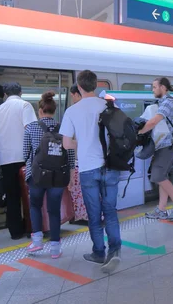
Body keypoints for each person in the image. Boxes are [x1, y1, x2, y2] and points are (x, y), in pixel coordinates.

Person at [60, 70, 122, 273]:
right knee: (110, 211)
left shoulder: (72, 111)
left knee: (94, 214)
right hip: (111, 167)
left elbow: (67, 143)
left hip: (87, 169)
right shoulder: (109, 105)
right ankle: (115, 252)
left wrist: (84, 143)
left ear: (79, 87)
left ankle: (98, 253)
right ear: (96, 85)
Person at [24, 92, 76, 259]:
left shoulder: (31, 127)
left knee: (35, 206)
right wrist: (71, 175)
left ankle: (37, 242)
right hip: (58, 176)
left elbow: (25, 153)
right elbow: (70, 155)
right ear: (54, 110)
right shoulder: (64, 128)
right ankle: (55, 248)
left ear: (40, 111)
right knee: (54, 210)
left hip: (37, 175)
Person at [0, 82, 37, 240]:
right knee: (29, 195)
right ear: (21, 92)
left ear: (5, 94)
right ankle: (32, 227)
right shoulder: (24, 106)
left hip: (4, 159)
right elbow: (32, 130)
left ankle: (15, 231)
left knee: (12, 196)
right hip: (23, 157)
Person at [139, 77, 173, 221]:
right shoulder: (165, 102)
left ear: (163, 87)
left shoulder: (167, 103)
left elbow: (154, 121)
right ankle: (161, 209)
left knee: (157, 176)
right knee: (162, 177)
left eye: (154, 87)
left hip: (168, 146)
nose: (152, 90)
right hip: (164, 145)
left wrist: (139, 132)